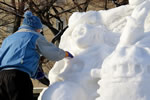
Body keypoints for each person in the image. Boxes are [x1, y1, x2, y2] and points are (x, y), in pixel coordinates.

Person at [0, 11, 73, 100]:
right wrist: (65, 54)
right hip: (19, 77)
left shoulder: (9, 38)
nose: (40, 31)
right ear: (36, 28)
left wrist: (34, 73)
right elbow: (51, 52)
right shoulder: (34, 36)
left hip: (1, 77)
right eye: (40, 29)